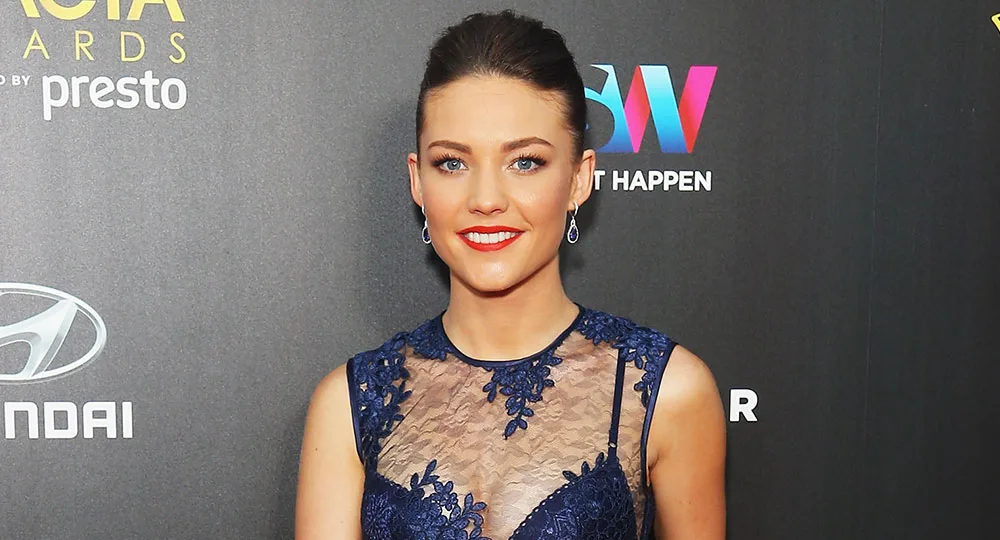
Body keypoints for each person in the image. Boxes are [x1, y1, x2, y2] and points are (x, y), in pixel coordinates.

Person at [296, 10, 726, 539]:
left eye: (524, 162)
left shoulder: (666, 392)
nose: (486, 200)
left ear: (578, 179)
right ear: (418, 181)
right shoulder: (350, 404)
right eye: (453, 163)